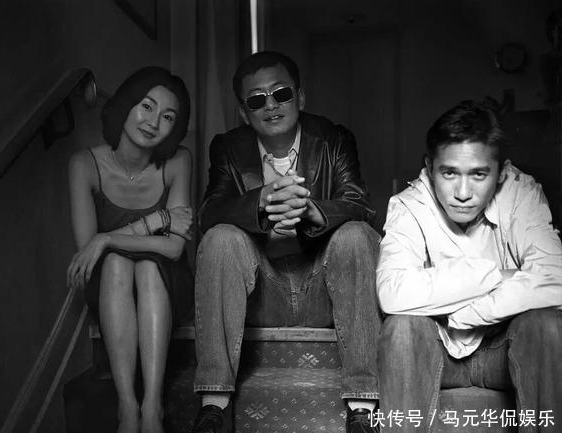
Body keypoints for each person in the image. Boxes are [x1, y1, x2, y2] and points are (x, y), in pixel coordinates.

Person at [191, 51, 382, 433]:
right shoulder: (228, 147)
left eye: (281, 93)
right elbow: (208, 213)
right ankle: (214, 405)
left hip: (324, 289)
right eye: (257, 100)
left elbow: (359, 204)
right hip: (262, 293)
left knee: (356, 235)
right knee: (220, 238)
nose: (271, 105)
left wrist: (311, 209)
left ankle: (363, 407)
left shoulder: (332, 139)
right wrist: (262, 200)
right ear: (243, 112)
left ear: (300, 97)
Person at [377, 100, 562, 432]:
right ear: (429, 167)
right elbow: (393, 294)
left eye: (478, 174)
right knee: (402, 329)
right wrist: (493, 275)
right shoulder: (409, 205)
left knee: (545, 324)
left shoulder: (521, 193)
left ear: (501, 172)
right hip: (435, 351)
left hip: (504, 350)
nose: (463, 193)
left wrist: (464, 314)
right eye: (449, 173)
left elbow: (556, 278)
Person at [67, 66, 194, 433]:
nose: (154, 122)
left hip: (167, 281)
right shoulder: (84, 164)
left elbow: (173, 249)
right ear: (126, 104)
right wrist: (158, 220)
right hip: (110, 284)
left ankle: (152, 406)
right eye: (147, 106)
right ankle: (127, 405)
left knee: (148, 266)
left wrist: (107, 237)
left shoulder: (178, 160)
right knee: (117, 263)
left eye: (168, 117)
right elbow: (88, 254)